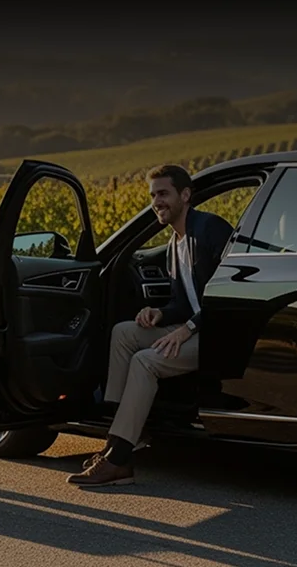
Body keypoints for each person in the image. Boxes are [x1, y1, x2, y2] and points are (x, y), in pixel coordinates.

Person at [70, 164, 236, 487]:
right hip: (194, 328)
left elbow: (226, 296)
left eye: (163, 193)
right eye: (152, 196)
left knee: (145, 361)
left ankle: (118, 461)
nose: (156, 202)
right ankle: (117, 440)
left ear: (185, 195)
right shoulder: (176, 244)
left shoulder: (210, 228)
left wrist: (186, 328)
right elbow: (182, 301)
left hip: (217, 335)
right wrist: (159, 313)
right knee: (123, 333)